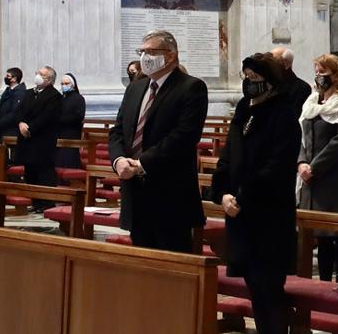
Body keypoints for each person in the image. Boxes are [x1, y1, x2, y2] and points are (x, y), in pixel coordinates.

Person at [212, 54, 302, 334]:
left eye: (255, 79)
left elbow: (277, 166)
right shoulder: (244, 109)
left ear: (271, 82)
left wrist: (243, 197)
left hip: (269, 214)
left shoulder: (283, 114)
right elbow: (228, 155)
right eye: (246, 77)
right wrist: (223, 193)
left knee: (269, 287)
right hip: (239, 214)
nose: (249, 83)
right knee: (253, 285)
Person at [111, 31, 208, 252]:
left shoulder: (190, 87)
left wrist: (141, 163)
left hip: (170, 193)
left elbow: (184, 135)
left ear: (171, 56)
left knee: (172, 262)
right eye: (142, 52)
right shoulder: (136, 88)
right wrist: (118, 160)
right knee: (143, 267)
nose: (145, 57)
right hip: (135, 192)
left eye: (152, 52)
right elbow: (118, 130)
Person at [298, 53, 338, 280]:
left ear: (336, 76)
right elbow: (302, 137)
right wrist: (302, 162)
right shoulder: (312, 101)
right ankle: (322, 284)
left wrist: (313, 167)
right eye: (316, 72)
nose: (318, 76)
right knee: (320, 236)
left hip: (334, 177)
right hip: (310, 177)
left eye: (323, 72)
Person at [17, 66, 62, 203]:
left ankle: (46, 202)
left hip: (42, 140)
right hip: (26, 140)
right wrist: (20, 123)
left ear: (49, 79)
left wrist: (30, 127)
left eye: (41, 74)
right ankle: (34, 201)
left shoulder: (54, 96)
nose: (37, 76)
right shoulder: (29, 93)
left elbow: (47, 117)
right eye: (37, 73)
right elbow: (19, 111)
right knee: (30, 171)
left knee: (44, 172)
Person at [56, 72, 86, 169]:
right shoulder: (60, 98)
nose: (64, 86)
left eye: (66, 83)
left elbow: (79, 116)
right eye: (62, 84)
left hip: (72, 132)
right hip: (59, 132)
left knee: (69, 157)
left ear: (72, 84)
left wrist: (61, 120)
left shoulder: (79, 98)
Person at [0, 67, 28, 138]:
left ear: (14, 79)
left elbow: (14, 113)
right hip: (3, 127)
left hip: (11, 129)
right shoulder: (8, 90)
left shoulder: (20, 93)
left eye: (8, 76)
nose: (6, 78)